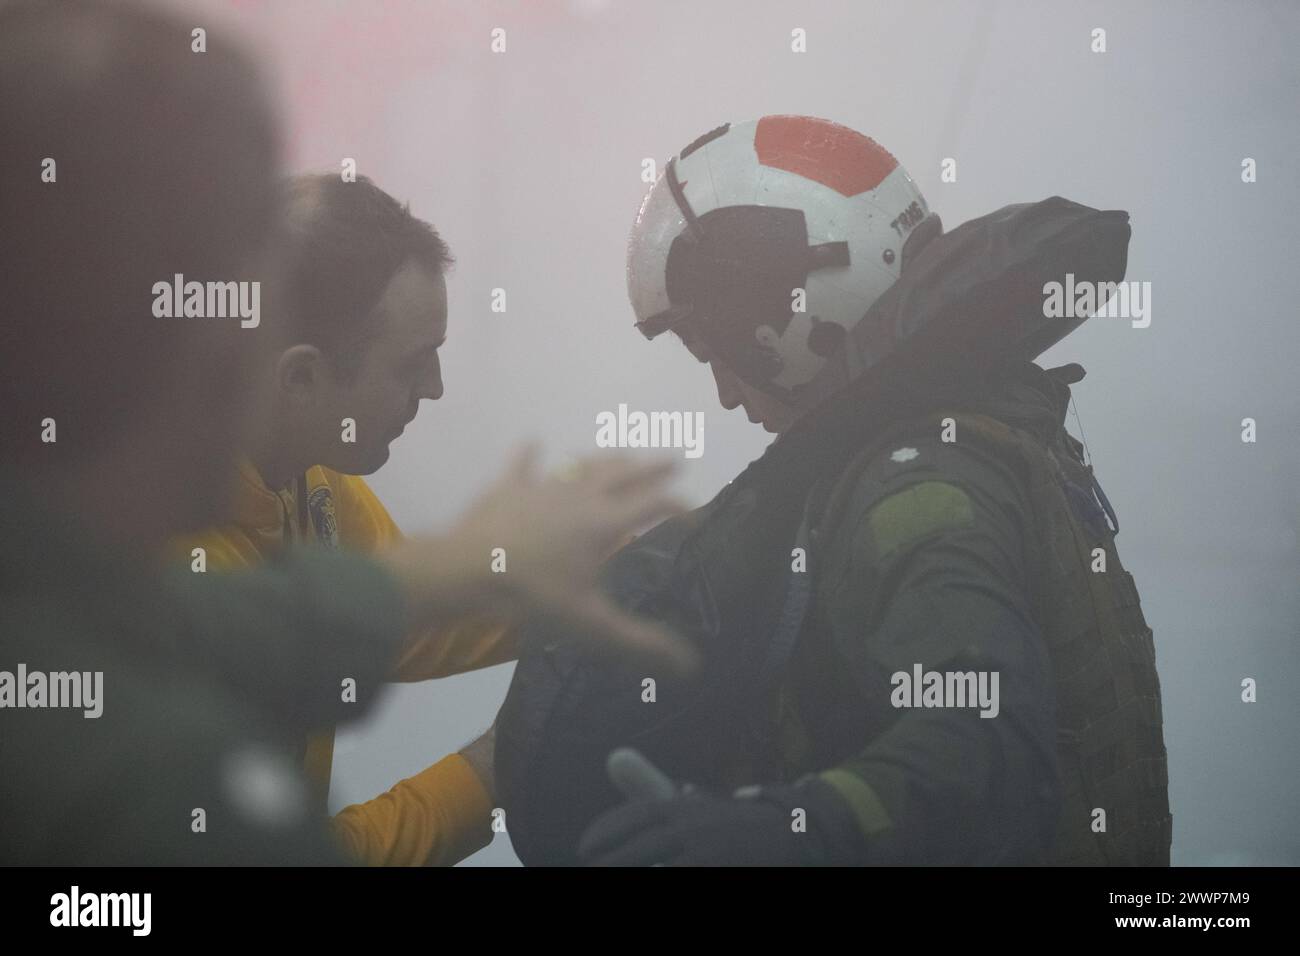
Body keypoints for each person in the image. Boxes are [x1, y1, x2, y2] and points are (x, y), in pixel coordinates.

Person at [0, 0, 689, 865]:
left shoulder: (248, 521)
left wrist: (620, 557)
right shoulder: (151, 768)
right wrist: (497, 766)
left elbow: (330, 615)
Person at [496, 115, 1172, 866]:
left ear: (790, 307)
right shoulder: (979, 428)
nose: (724, 394)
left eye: (714, 351)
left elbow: (985, 743)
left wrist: (792, 830)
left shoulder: (917, 483)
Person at [173, 174, 526, 865]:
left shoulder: (307, 476)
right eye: (413, 364)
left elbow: (415, 619)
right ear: (301, 378)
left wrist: (640, 574)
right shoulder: (174, 568)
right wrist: (494, 770)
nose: (436, 388)